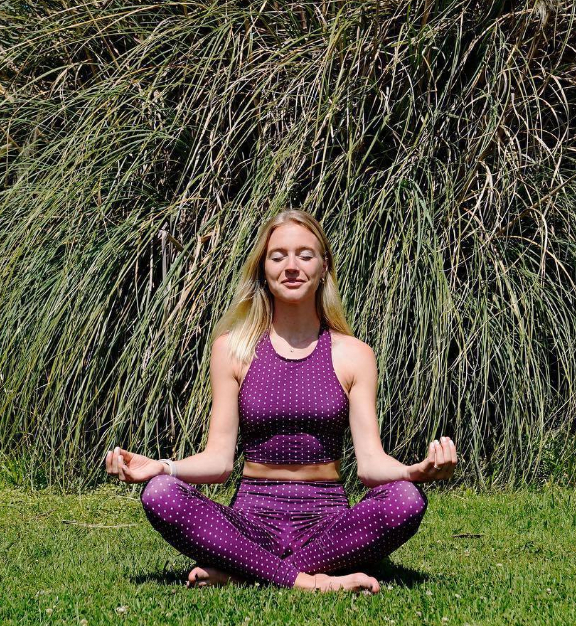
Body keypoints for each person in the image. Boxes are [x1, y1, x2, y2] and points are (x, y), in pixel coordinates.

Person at [105, 209, 457, 593]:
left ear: (324, 267)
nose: (292, 266)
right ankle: (309, 582)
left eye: (305, 255)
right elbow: (219, 461)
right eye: (278, 256)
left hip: (327, 528)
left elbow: (370, 465)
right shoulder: (233, 349)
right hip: (253, 522)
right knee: (160, 492)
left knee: (406, 499)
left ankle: (245, 572)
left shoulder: (354, 354)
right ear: (263, 269)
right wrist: (162, 466)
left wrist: (415, 472)